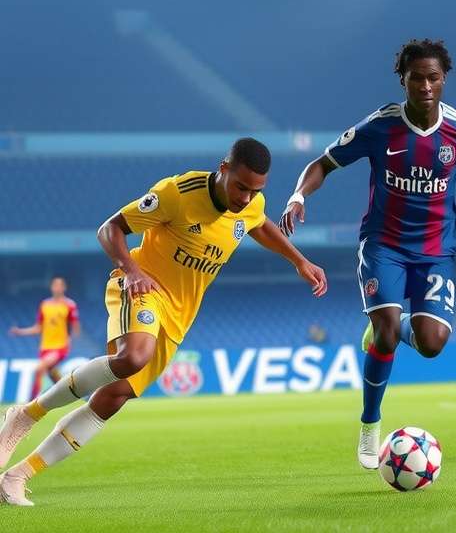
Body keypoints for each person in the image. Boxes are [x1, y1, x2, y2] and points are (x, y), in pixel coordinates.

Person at [0, 138, 328, 506]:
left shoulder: (251, 204)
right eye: (240, 187)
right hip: (141, 287)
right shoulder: (177, 193)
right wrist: (132, 270)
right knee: (133, 357)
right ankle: (26, 416)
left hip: (179, 314)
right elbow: (110, 229)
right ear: (223, 169)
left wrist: (299, 260)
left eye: (256, 191)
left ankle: (17, 475)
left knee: (113, 399)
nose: (246, 198)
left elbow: (260, 224)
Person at [279, 39, 456, 469]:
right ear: (403, 79)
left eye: (433, 77)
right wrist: (297, 196)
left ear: (444, 79)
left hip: (436, 250)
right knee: (383, 330)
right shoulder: (380, 126)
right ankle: (369, 424)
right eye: (417, 77)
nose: (426, 85)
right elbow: (323, 162)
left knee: (432, 344)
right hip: (385, 245)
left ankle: (395, 329)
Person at [9, 277, 81, 400]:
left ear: (64, 288)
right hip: (45, 347)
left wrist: (70, 341)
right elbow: (38, 328)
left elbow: (75, 327)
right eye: (55, 285)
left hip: (60, 346)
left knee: (39, 369)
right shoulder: (45, 305)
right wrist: (20, 332)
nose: (57, 287)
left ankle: (31, 402)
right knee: (53, 375)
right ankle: (71, 396)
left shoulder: (69, 305)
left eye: (60, 285)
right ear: (52, 287)